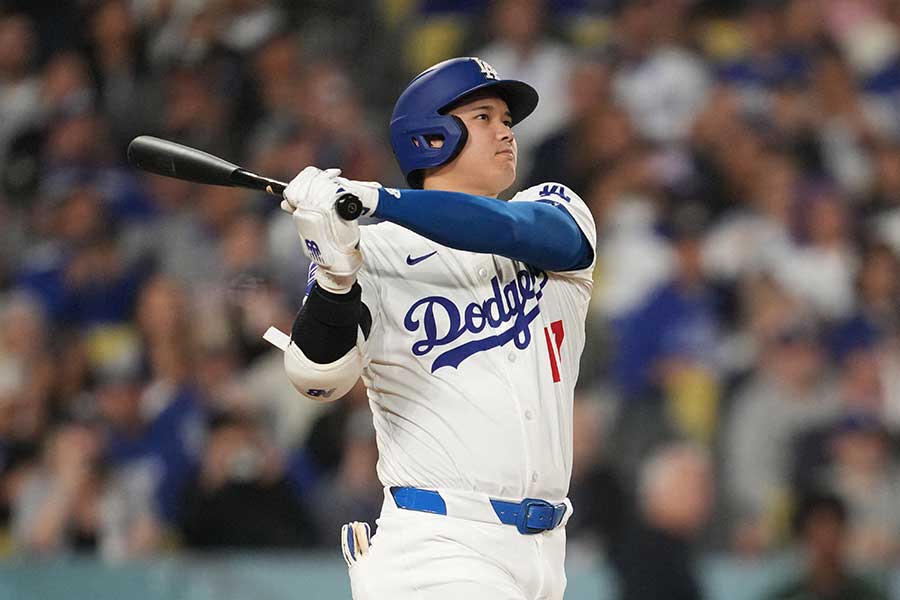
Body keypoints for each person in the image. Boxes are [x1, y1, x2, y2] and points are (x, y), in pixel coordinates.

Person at [270, 57, 596, 599]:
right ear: (430, 137)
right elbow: (316, 377)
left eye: (507, 119)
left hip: (545, 552)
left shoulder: (553, 211)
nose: (506, 129)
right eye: (484, 115)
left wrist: (379, 199)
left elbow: (516, 229)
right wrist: (333, 274)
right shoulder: (372, 255)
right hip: (437, 545)